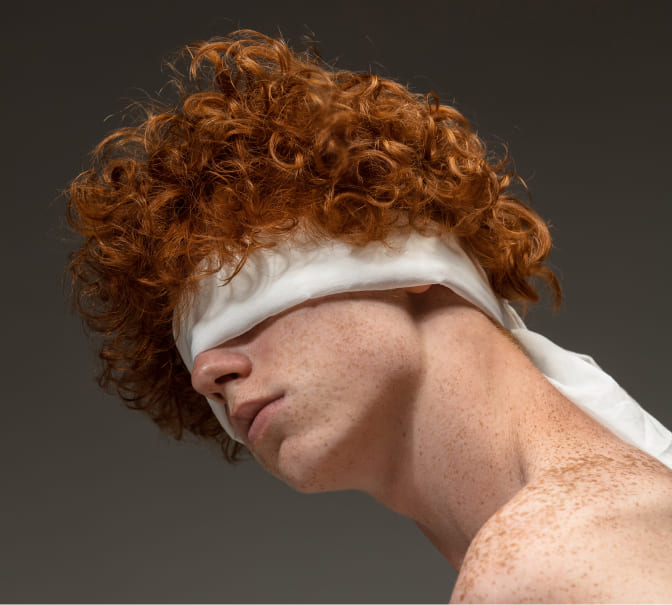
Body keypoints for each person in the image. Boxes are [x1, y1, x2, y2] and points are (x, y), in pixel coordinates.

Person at [66, 30, 672, 602]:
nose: (205, 374)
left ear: (400, 245)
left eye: (240, 295)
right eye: (190, 345)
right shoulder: (600, 527)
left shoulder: (551, 560)